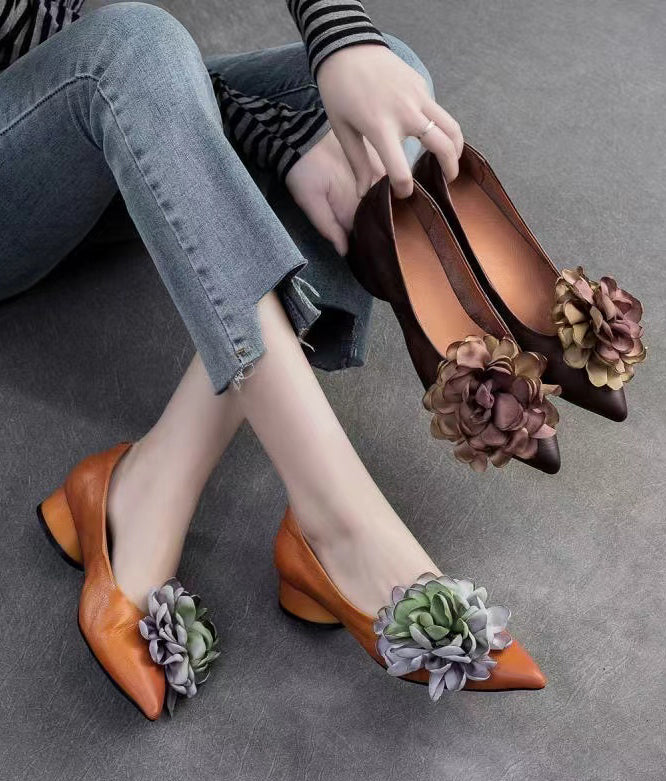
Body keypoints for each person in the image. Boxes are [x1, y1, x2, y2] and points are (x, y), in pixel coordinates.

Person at [3, 2, 542, 716]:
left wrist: (337, 41)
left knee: (384, 86)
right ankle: (338, 519)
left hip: (74, 121)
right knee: (133, 47)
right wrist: (273, 141)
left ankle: (155, 478)